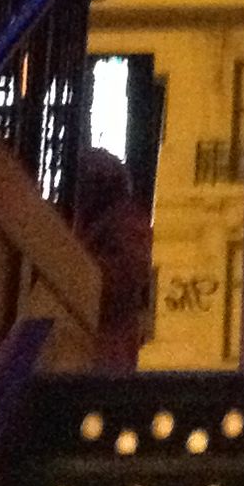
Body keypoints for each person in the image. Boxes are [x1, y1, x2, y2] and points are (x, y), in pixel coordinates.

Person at [74, 146, 157, 370]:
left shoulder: (126, 225)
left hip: (103, 351)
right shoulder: (113, 223)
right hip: (95, 348)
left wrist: (73, 265)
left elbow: (122, 280)